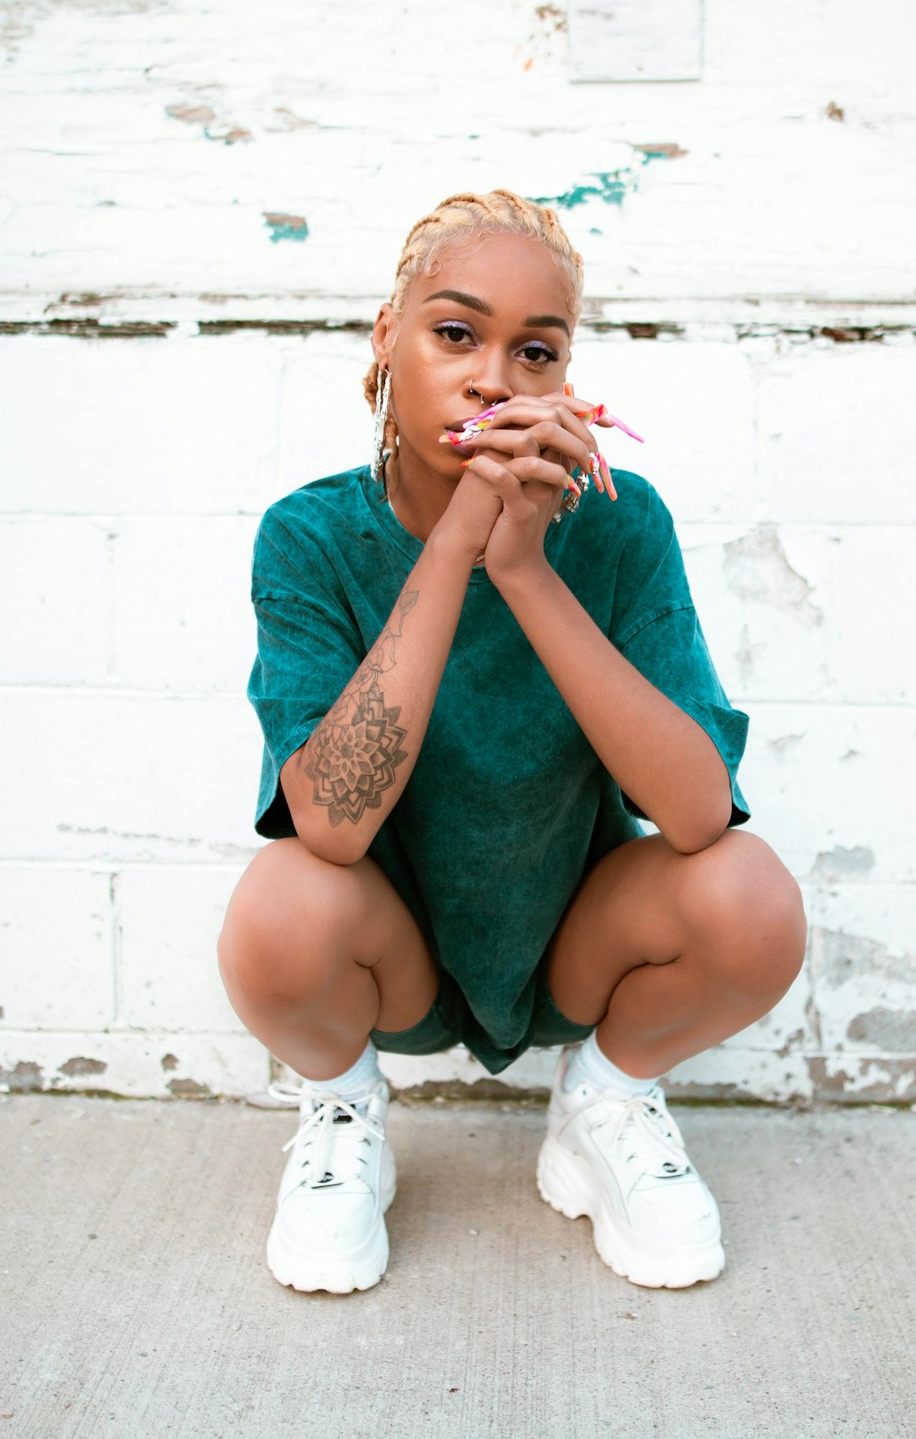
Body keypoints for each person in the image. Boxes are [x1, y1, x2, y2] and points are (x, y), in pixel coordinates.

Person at [218, 189, 806, 1295]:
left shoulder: (622, 524)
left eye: (534, 350)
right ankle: (344, 1109)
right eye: (455, 333)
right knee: (279, 903)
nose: (494, 377)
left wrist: (525, 568)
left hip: (573, 940)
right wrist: (453, 549)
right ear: (385, 337)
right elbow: (329, 828)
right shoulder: (309, 536)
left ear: (568, 377)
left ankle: (607, 1101)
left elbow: (694, 814)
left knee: (751, 896)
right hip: (385, 948)